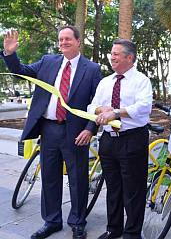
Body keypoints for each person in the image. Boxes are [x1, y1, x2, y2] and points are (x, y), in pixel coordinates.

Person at [1, 26, 102, 239]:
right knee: (49, 178)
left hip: (76, 133)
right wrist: (10, 54)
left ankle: (77, 222)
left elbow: (98, 103)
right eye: (60, 39)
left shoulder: (92, 69)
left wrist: (90, 129)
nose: (63, 42)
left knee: (78, 179)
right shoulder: (48, 61)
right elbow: (22, 71)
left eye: (67, 39)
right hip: (49, 130)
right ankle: (52, 221)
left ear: (78, 42)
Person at [87, 38, 152, 239]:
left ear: (129, 57)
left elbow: (143, 107)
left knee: (133, 190)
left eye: (116, 54)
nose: (112, 57)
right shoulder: (106, 82)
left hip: (132, 139)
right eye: (111, 53)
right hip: (108, 141)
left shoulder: (141, 81)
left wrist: (115, 113)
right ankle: (113, 229)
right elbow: (91, 106)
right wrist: (101, 109)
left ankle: (132, 233)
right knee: (113, 188)